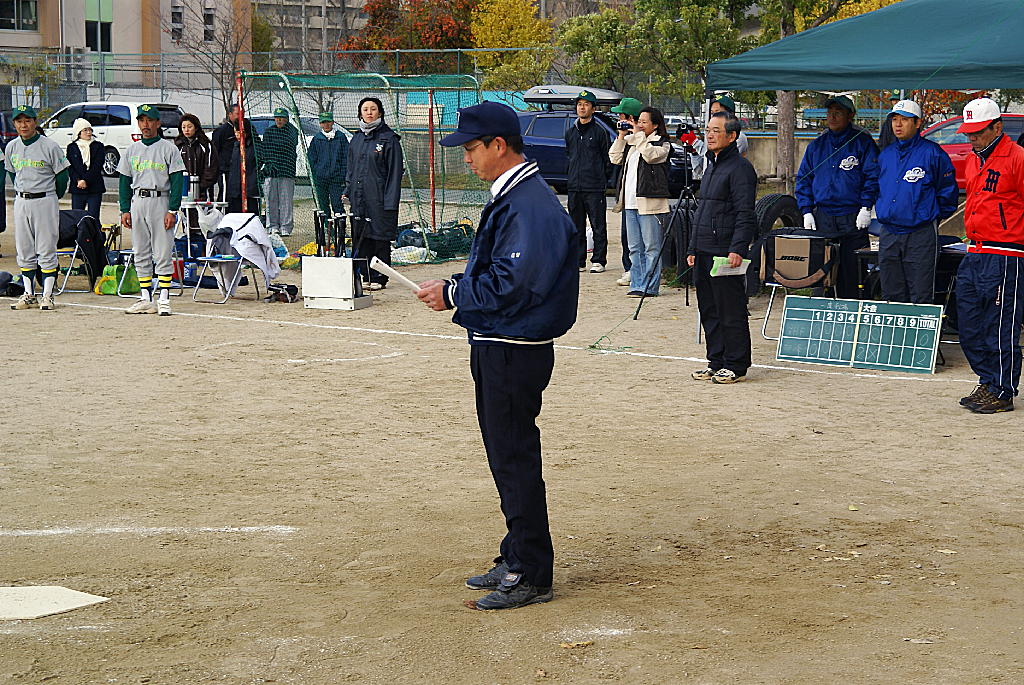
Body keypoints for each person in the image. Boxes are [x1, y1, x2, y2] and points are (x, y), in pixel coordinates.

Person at [416, 101, 578, 611]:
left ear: (499, 145)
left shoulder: (529, 203)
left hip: (514, 346)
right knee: (507, 454)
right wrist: (457, 286)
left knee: (513, 456)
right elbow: (506, 274)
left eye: (471, 148)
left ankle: (530, 570)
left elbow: (516, 282)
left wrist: (455, 293)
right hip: (501, 340)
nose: (466, 158)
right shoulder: (517, 196)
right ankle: (516, 554)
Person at [953, 97, 1024, 414]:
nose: (972, 138)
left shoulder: (1017, 157)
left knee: (1000, 325)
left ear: (997, 127)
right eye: (969, 132)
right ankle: (988, 380)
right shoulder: (973, 159)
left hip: (1006, 253)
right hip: (975, 249)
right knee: (968, 324)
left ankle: (1003, 390)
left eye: (979, 132)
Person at [686, 110, 757, 385]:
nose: (710, 135)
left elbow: (745, 213)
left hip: (725, 251)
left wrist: (737, 248)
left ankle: (736, 364)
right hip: (704, 249)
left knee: (731, 309)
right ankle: (715, 361)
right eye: (708, 130)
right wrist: (692, 247)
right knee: (709, 309)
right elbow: (703, 210)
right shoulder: (711, 165)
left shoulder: (740, 169)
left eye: (716, 131)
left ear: (732, 136)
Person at [795, 95, 880, 299]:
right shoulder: (816, 146)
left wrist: (866, 207)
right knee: (821, 273)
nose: (832, 117)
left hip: (852, 217)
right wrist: (806, 211)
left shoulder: (862, 143)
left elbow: (873, 176)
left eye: (838, 112)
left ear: (850, 115)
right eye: (830, 112)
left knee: (852, 273)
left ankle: (853, 311)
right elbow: (804, 179)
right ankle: (822, 310)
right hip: (823, 217)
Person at [875, 99, 958, 304]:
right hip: (889, 233)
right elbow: (879, 188)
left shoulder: (933, 153)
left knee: (920, 294)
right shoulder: (886, 155)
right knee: (891, 294)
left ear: (918, 123)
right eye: (894, 119)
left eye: (904, 120)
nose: (898, 124)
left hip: (920, 234)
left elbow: (948, 192)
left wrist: (929, 216)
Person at [117, 104, 186, 316]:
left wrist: (173, 210)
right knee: (140, 251)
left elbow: (177, 181)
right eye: (142, 120)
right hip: (138, 200)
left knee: (163, 250)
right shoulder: (132, 150)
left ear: (158, 123)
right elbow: (124, 181)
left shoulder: (169, 148)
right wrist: (124, 209)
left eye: (149, 120)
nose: (145, 124)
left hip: (160, 200)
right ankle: (146, 297)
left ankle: (164, 297)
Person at [6, 105, 70, 311]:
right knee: (24, 248)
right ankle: (29, 293)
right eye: (19, 121)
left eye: (27, 121)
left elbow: (62, 177)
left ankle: (48, 295)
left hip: (44, 199)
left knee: (46, 247)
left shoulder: (49, 146)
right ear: (14, 124)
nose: (23, 125)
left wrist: (52, 197)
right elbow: (13, 173)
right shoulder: (12, 147)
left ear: (35, 122)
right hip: (22, 200)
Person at [609, 105, 670, 298]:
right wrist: (621, 136)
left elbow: (651, 156)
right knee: (634, 248)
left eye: (644, 122)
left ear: (655, 125)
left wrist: (638, 136)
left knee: (651, 247)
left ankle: (650, 287)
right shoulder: (633, 142)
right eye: (638, 121)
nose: (640, 125)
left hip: (649, 204)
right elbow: (614, 158)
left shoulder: (662, 143)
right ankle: (637, 284)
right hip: (629, 203)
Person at [345, 97, 403, 290]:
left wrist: (390, 202)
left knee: (379, 238)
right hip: (359, 199)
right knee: (361, 237)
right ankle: (365, 275)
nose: (369, 113)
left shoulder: (389, 139)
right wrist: (348, 190)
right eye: (365, 109)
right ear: (360, 113)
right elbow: (351, 169)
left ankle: (379, 277)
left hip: (379, 199)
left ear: (380, 112)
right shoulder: (356, 139)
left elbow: (394, 174)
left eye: (373, 109)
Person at [564, 90, 611, 273]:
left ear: (593, 108)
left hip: (594, 186)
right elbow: (569, 156)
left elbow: (607, 160)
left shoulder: (600, 132)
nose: (582, 108)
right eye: (579, 104)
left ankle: (599, 260)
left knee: (598, 225)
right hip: (574, 186)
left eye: (586, 104)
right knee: (576, 225)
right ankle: (578, 260)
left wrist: (602, 179)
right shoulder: (570, 133)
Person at [609, 97, 643, 287]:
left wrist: (636, 132)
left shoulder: (645, 137)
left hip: (643, 198)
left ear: (631, 117)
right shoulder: (627, 139)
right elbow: (614, 158)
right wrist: (622, 136)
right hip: (626, 198)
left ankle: (640, 272)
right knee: (626, 237)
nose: (619, 119)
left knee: (643, 241)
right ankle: (628, 268)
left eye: (621, 116)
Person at [262, 107, 298, 236]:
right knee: (271, 200)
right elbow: (265, 149)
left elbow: (288, 146)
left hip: (286, 170)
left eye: (281, 118)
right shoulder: (269, 131)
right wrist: (269, 163)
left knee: (285, 200)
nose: (279, 120)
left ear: (286, 119)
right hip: (271, 171)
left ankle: (285, 227)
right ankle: (272, 226)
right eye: (277, 118)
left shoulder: (292, 131)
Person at [307, 111, 348, 216]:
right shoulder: (317, 139)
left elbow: (346, 157)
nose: (326, 124)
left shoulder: (341, 137)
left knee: (337, 205)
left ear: (332, 122)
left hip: (336, 179)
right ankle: (327, 226)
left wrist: (342, 174)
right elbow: (311, 159)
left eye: (328, 122)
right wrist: (316, 173)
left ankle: (340, 226)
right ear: (320, 124)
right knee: (323, 205)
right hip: (321, 179)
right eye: (323, 122)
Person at [66, 117, 106, 221]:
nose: (89, 133)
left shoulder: (98, 146)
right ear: (78, 132)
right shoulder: (72, 147)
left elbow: (97, 166)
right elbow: (70, 167)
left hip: (94, 187)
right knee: (77, 217)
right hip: (77, 187)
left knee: (93, 218)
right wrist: (78, 180)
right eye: (85, 130)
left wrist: (85, 180)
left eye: (90, 130)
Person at [173, 113, 219, 202]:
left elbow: (212, 168)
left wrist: (201, 186)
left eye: (189, 127)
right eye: (183, 127)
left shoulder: (206, 145)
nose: (186, 130)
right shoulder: (178, 146)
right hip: (183, 191)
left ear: (196, 127)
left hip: (203, 192)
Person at [225, 120, 260, 215]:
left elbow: (260, 163)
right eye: (235, 132)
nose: (237, 135)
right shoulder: (234, 145)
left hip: (250, 190)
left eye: (240, 132)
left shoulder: (255, 146)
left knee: (250, 215)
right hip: (234, 189)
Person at [212, 104, 239, 201]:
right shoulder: (221, 131)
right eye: (237, 114)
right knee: (225, 194)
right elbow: (215, 151)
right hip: (225, 170)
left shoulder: (247, 129)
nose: (240, 116)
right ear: (230, 114)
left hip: (239, 170)